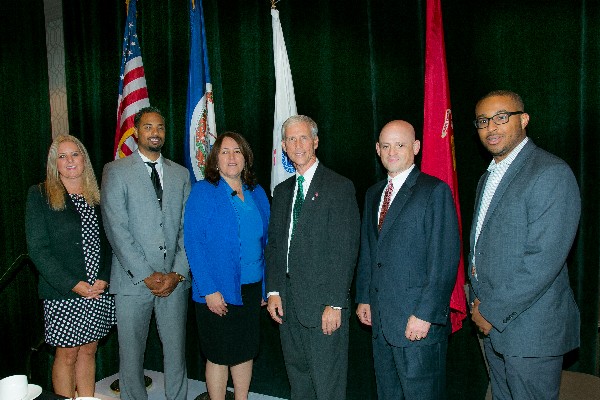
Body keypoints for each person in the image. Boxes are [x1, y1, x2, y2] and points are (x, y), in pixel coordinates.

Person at [469, 90, 581, 400]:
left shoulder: (550, 173)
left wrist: (491, 311)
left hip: (530, 330)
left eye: (501, 118)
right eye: (483, 121)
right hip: (493, 326)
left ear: (524, 119)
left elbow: (543, 261)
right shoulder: (487, 178)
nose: (491, 128)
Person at [355, 120, 460, 400]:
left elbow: (444, 259)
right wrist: (364, 296)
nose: (392, 152)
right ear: (377, 149)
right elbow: (369, 251)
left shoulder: (434, 191)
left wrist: (425, 314)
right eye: (386, 145)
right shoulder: (373, 193)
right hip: (382, 322)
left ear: (415, 147)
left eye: (400, 145)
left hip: (417, 324)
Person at [265, 115, 360, 400]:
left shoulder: (339, 187)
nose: (297, 144)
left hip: (322, 306)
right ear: (283, 146)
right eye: (291, 139)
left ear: (315, 142)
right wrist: (273, 290)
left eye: (303, 137)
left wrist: (335, 302)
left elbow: (345, 249)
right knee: (299, 381)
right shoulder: (281, 192)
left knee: (327, 385)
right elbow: (275, 247)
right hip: (288, 304)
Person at [101, 106, 191, 400]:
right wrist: (146, 274)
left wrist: (177, 273)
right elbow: (116, 228)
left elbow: (186, 229)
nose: (155, 133)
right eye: (149, 127)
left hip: (173, 282)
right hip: (133, 282)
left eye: (161, 127)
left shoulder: (180, 174)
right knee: (130, 359)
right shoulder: (115, 171)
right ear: (136, 132)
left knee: (176, 355)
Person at [25, 134, 115, 398]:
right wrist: (72, 284)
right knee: (67, 355)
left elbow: (109, 243)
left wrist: (104, 278)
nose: (69, 160)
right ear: (54, 163)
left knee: (89, 349)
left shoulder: (96, 196)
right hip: (64, 292)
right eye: (61, 156)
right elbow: (38, 250)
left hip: (97, 291)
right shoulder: (39, 194)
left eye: (74, 154)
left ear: (84, 159)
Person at [184, 132, 270, 400]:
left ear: (246, 157)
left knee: (245, 350)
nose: (231, 157)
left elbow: (268, 242)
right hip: (217, 291)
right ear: (215, 159)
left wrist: (265, 288)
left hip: (252, 287)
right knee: (219, 355)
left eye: (237, 151)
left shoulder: (257, 193)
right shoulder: (203, 192)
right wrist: (208, 289)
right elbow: (193, 244)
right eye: (224, 152)